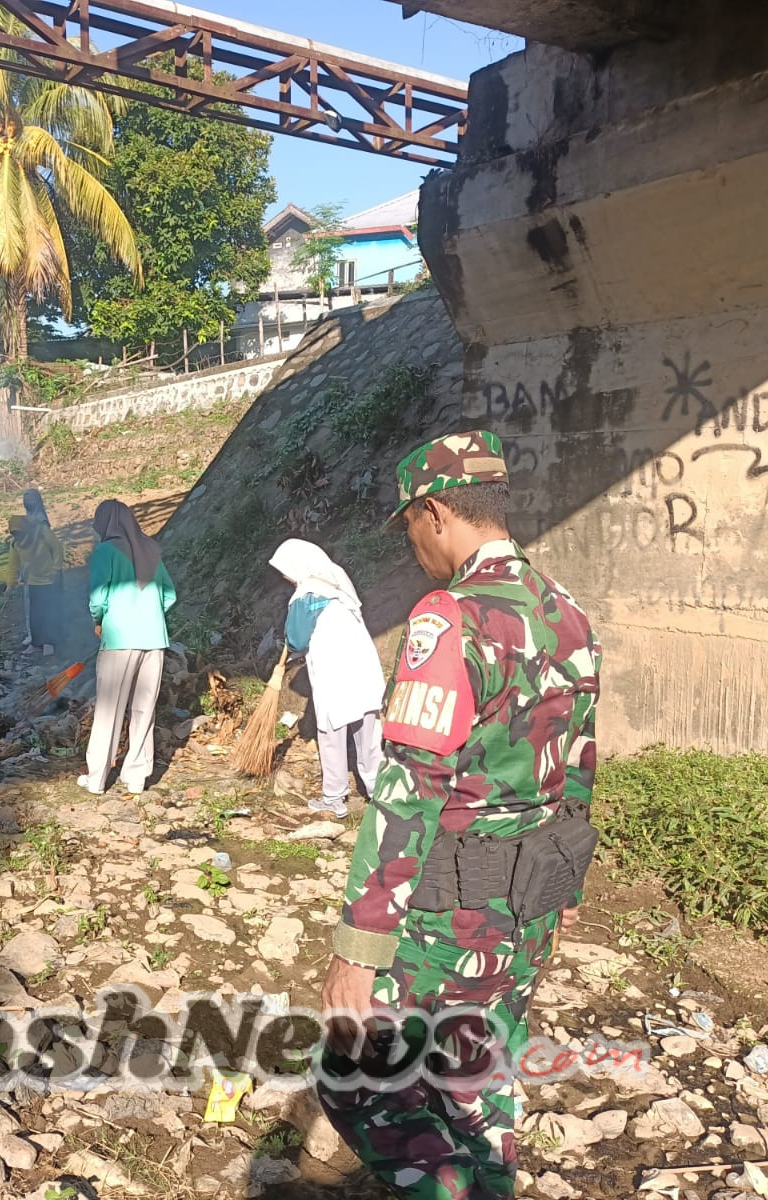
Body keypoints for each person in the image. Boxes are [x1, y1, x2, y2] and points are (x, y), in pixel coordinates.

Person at [318, 432, 602, 1200]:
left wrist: (359, 945)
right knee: (479, 1079)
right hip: (530, 905)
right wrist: (566, 884)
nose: (413, 546)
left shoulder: (452, 617)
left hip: (448, 917)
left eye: (411, 525)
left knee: (357, 1078)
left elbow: (410, 789)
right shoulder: (567, 612)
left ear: (436, 512)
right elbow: (577, 759)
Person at [269, 539, 385, 818]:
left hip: (334, 667)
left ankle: (334, 797)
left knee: (331, 731)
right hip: (363, 662)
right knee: (368, 727)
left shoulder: (305, 595)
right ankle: (377, 790)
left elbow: (296, 640)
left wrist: (292, 644)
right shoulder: (337, 579)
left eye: (285, 570)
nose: (285, 576)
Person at [83, 499, 175, 796]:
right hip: (154, 640)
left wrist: (100, 621)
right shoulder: (150, 549)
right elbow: (169, 596)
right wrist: (149, 614)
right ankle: (136, 777)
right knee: (143, 708)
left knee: (109, 709)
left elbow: (98, 597)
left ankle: (97, 779)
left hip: (120, 641)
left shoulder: (106, 551)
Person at [9, 490, 64, 656]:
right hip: (32, 582)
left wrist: (55, 569)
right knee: (34, 616)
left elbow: (57, 549)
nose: (17, 536)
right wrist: (10, 585)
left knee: (49, 612)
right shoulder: (15, 544)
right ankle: (35, 643)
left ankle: (49, 643)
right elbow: (13, 564)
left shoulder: (41, 530)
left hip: (48, 580)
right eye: (14, 534)